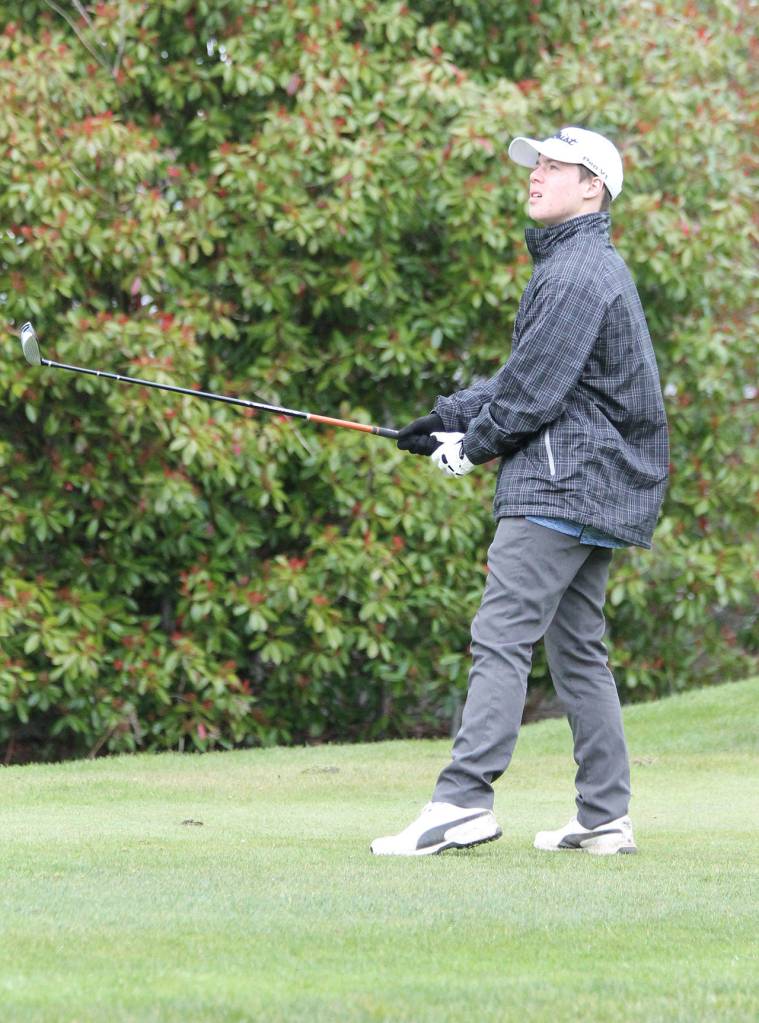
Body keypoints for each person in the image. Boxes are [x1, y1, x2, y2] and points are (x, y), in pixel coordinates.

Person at [371, 126, 669, 857]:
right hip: (589, 487)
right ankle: (603, 815)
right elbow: (525, 378)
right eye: (534, 163)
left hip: (561, 484)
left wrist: (469, 448)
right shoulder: (577, 265)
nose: (535, 174)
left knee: (499, 640)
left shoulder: (576, 273)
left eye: (553, 166)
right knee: (577, 652)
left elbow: (533, 393)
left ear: (591, 187)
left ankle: (463, 799)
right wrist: (446, 415)